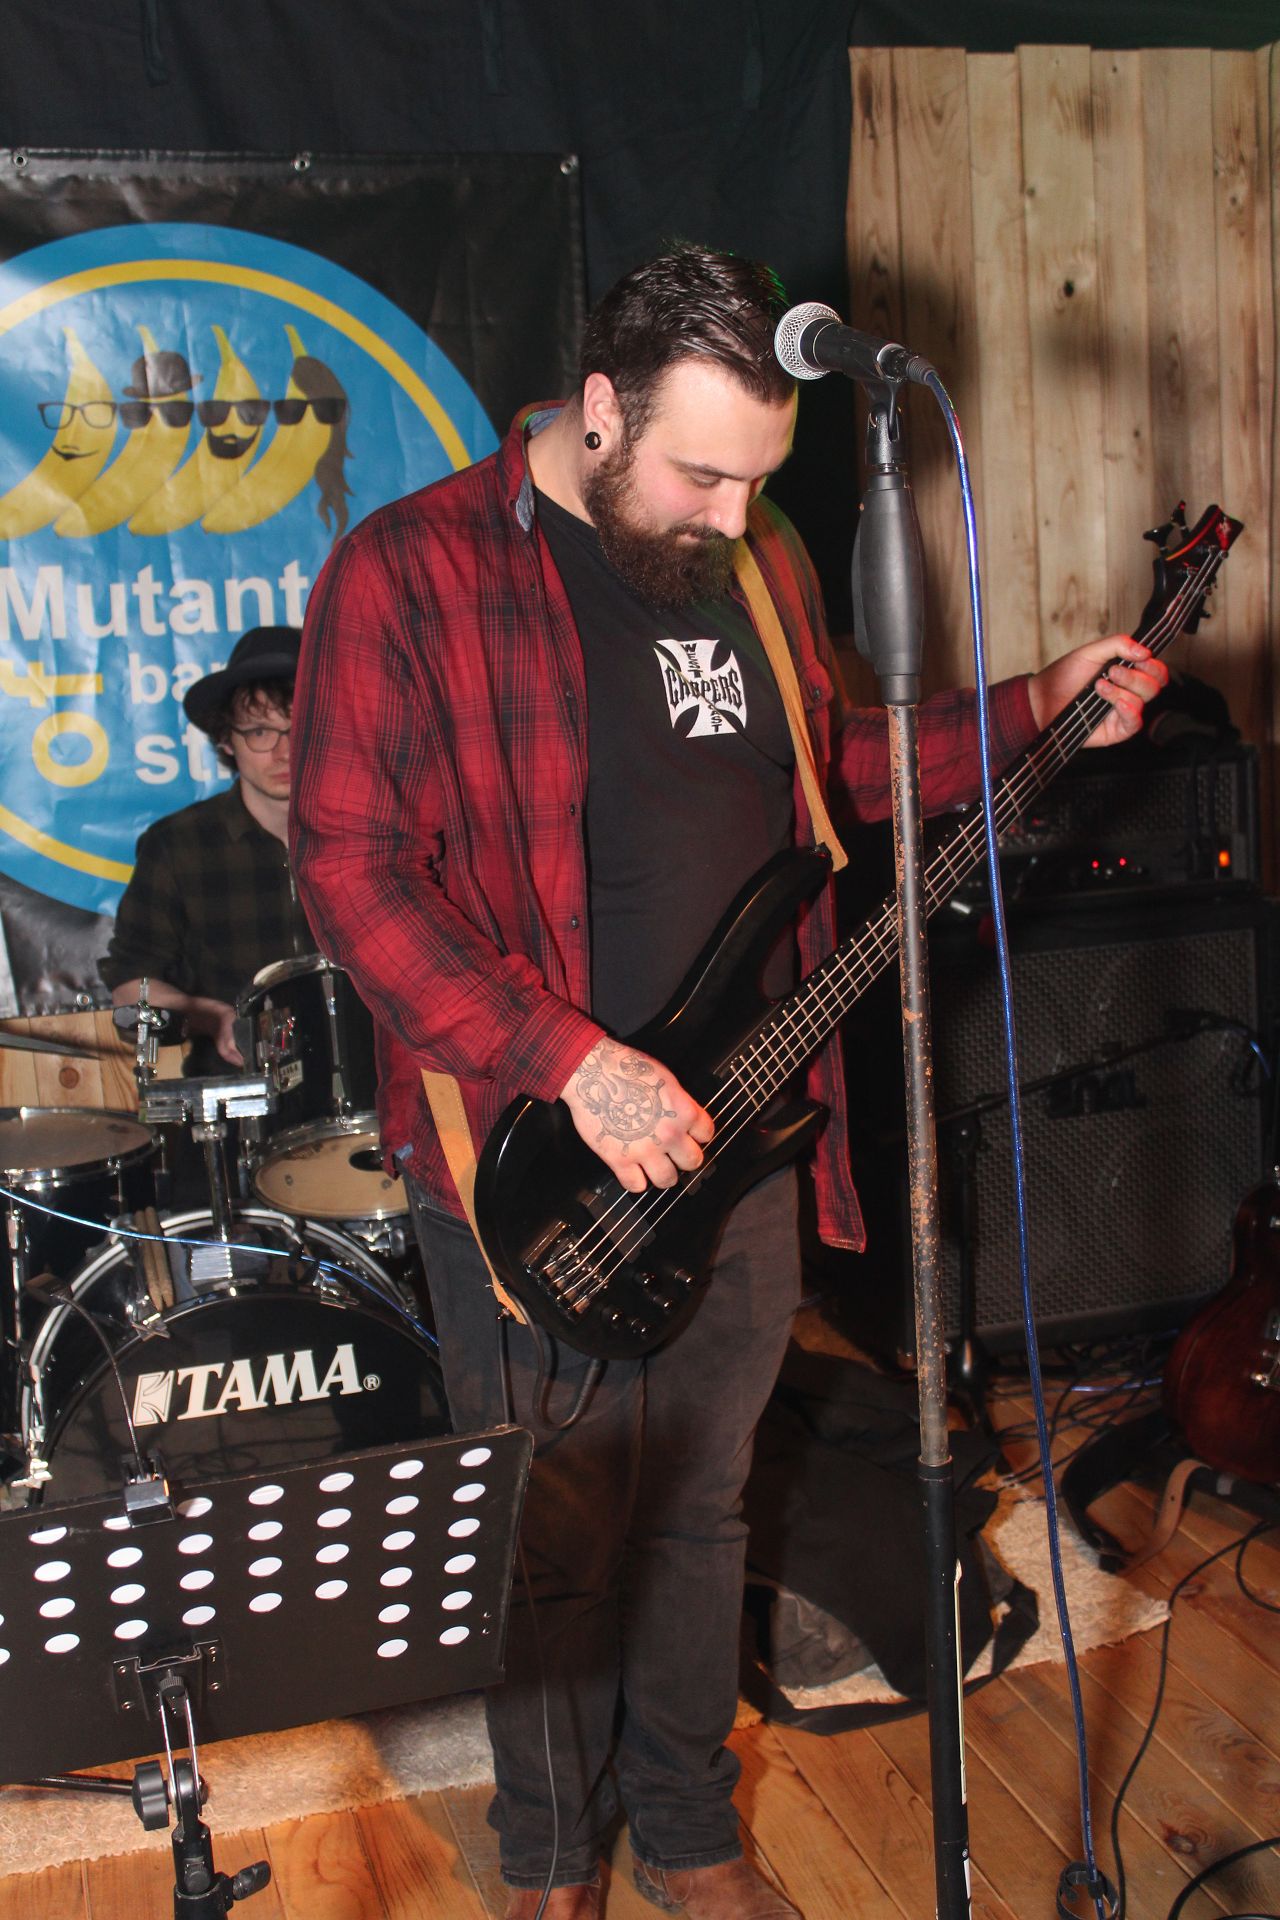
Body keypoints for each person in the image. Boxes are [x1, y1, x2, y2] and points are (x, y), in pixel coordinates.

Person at [289, 246, 1166, 1920]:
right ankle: (552, 1860)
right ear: (598, 409)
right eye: (701, 473)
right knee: (552, 1534)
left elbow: (831, 770)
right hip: (533, 1149)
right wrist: (569, 1058)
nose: (730, 514)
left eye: (759, 478)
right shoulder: (411, 570)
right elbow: (348, 869)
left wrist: (1032, 708)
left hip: (750, 1124)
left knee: (701, 1509)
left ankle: (691, 1835)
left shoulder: (755, 558)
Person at [101, 625, 313, 1074]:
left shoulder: (376, 835)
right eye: (260, 732)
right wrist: (212, 1016)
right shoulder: (178, 845)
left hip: (372, 1091)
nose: (283, 752)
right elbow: (130, 988)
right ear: (226, 740)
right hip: (233, 1096)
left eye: (300, 729)